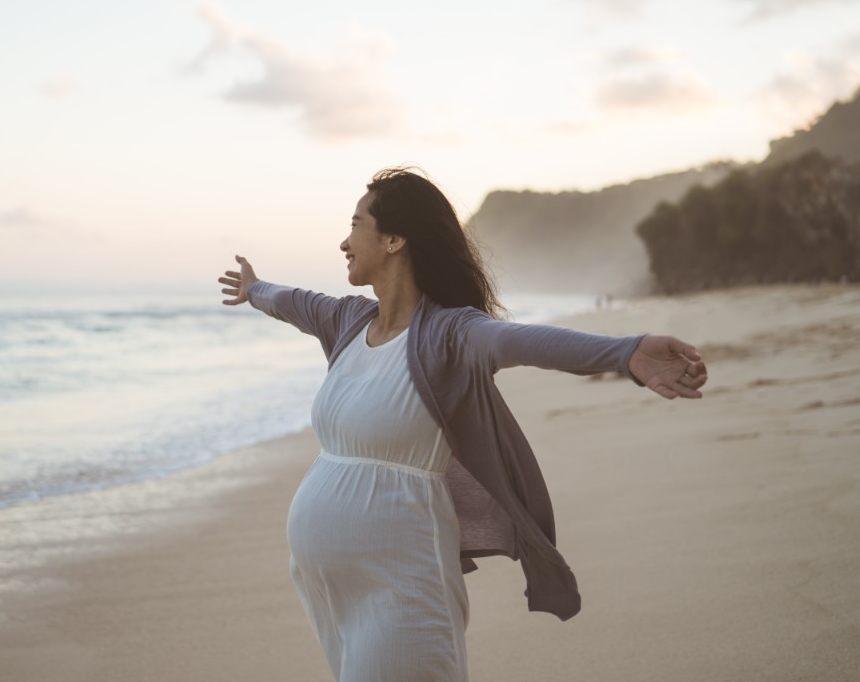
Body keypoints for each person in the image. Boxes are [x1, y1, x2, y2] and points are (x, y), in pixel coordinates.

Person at [217, 167, 708, 682]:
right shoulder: (349, 321)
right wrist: (254, 289)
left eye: (355, 223)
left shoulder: (451, 334)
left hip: (401, 580)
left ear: (394, 239)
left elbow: (525, 342)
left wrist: (626, 352)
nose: (344, 240)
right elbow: (291, 302)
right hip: (325, 583)